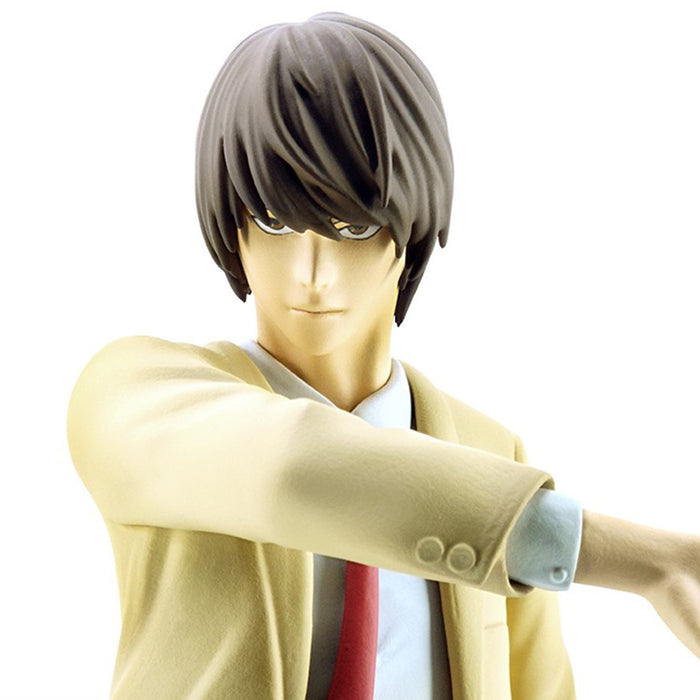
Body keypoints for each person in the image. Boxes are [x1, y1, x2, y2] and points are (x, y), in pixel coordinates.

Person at [66, 12, 699, 700]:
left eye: (353, 226)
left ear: (411, 230)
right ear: (233, 225)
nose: (312, 271)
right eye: (275, 220)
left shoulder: (491, 454)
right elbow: (295, 469)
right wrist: (641, 559)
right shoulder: (132, 398)